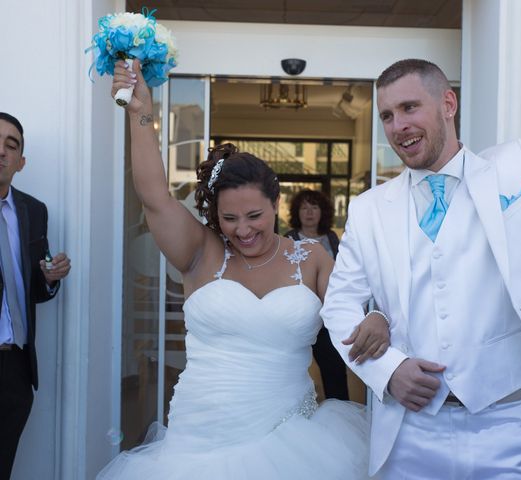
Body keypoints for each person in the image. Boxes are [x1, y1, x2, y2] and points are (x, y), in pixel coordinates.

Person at [320, 1, 521, 478]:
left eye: (409, 107)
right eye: (387, 115)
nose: (397, 126)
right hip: (407, 432)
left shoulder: (520, 175)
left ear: (448, 104)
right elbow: (337, 305)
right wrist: (388, 370)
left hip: (504, 427)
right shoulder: (369, 210)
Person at [97, 60, 390, 479]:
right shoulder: (200, 251)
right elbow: (154, 197)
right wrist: (141, 113)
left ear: (276, 204)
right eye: (230, 218)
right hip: (198, 439)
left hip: (291, 440)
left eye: (255, 215)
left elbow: (355, 324)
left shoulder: (313, 259)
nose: (244, 230)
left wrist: (377, 316)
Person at [0, 112, 71, 480]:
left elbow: (35, 289)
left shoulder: (34, 211)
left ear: (21, 162)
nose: (1, 151)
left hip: (14, 369)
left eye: (11, 145)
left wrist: (49, 277)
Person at [285, 189, 349, 400]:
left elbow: (341, 272)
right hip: (297, 315)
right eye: (304, 207)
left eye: (314, 207)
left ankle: (338, 414)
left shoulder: (331, 237)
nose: (309, 212)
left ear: (323, 212)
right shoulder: (288, 238)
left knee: (335, 370)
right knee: (291, 369)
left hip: (326, 317)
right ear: (297, 212)